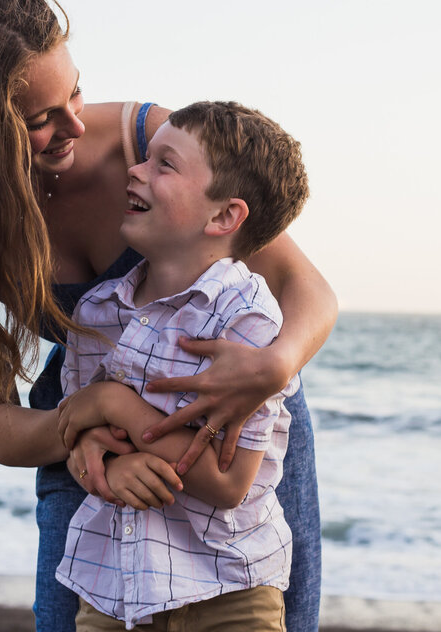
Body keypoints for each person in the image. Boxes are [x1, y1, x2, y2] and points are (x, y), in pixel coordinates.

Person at [0, 0, 336, 632]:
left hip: (227, 431)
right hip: (85, 450)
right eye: (40, 119)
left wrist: (275, 364)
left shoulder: (150, 145)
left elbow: (307, 288)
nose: (75, 123)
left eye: (77, 93)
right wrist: (84, 426)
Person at [54, 101, 308, 631]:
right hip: (112, 588)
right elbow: (79, 434)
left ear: (223, 217)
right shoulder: (96, 314)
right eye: (146, 158)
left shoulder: (249, 322)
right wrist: (107, 465)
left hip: (229, 588)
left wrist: (117, 404)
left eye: (163, 165)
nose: (135, 170)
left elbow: (228, 480)